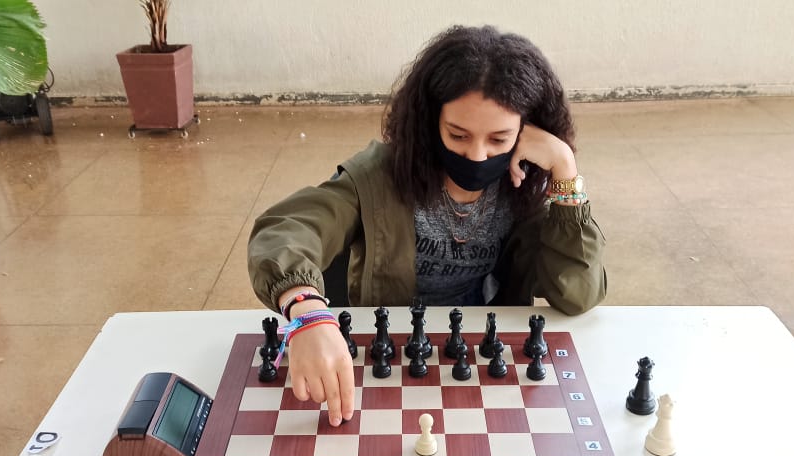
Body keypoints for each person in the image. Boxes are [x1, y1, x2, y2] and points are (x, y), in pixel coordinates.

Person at [248, 25, 607, 426]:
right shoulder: (378, 176)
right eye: (458, 134)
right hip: (390, 350)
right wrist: (306, 310)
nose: (477, 155)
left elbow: (578, 294)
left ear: (528, 131)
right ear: (430, 121)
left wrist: (565, 171)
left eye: (499, 139)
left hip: (477, 349)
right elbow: (286, 229)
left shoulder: (525, 188)